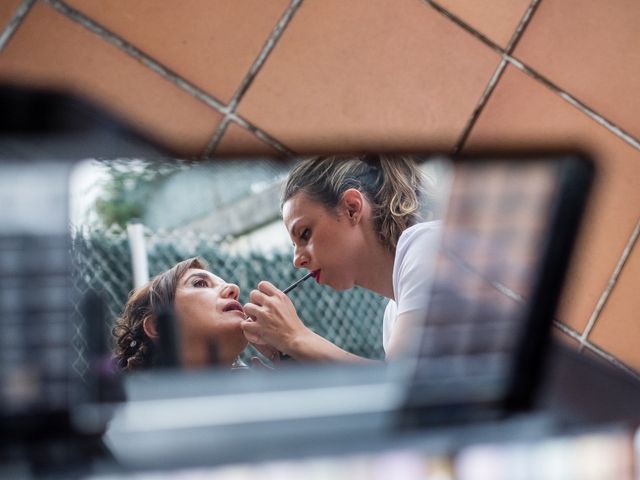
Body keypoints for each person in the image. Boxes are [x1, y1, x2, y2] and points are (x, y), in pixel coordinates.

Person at [241, 154, 441, 362]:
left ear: (352, 208)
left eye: (305, 234)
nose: (297, 260)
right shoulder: (393, 314)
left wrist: (296, 338)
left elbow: (401, 382)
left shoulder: (427, 247)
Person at [112, 257, 250, 371]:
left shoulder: (262, 393)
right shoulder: (133, 402)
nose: (233, 288)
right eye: (200, 283)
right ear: (158, 326)